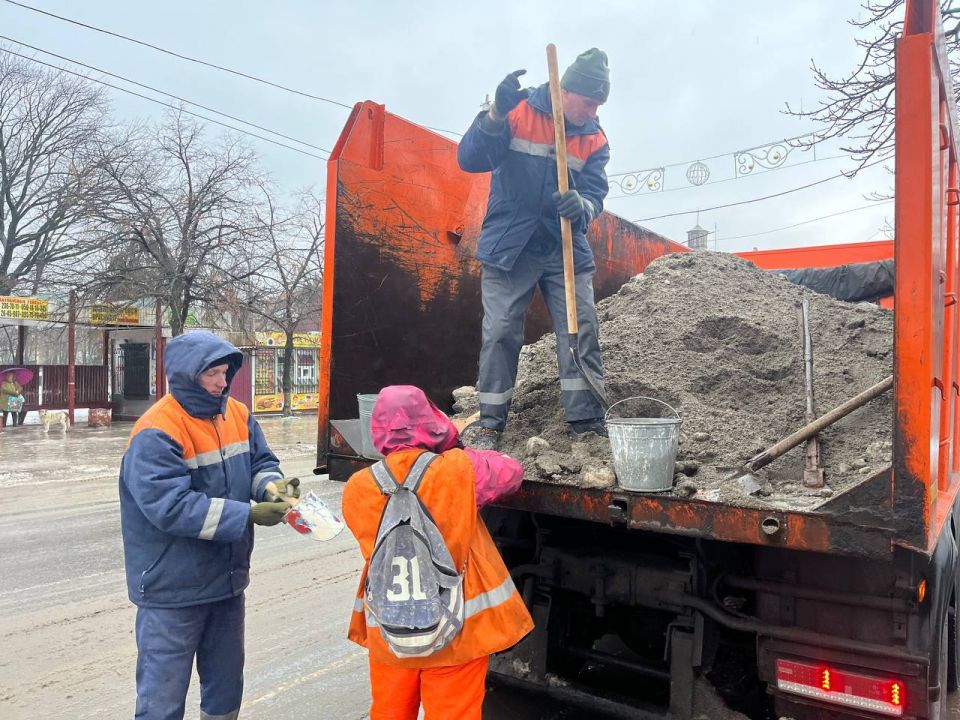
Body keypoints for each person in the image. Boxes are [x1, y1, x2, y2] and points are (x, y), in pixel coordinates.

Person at [118, 331, 298, 720]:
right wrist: (245, 515)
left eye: (223, 372)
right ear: (186, 375)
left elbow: (260, 462)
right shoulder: (157, 431)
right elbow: (169, 506)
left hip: (226, 581)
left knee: (225, 687)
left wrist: (272, 488)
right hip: (173, 589)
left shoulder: (237, 413)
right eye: (211, 374)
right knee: (162, 697)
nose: (221, 382)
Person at [342, 385, 534, 720]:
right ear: (431, 420)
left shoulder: (358, 487)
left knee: (388, 712)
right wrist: (451, 446)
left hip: (390, 630)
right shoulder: (457, 469)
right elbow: (510, 472)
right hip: (456, 634)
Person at [457, 48, 612, 450]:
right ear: (567, 90)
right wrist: (494, 115)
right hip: (511, 244)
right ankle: (490, 424)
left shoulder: (594, 138)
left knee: (581, 330)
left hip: (563, 246)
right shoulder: (518, 111)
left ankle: (587, 423)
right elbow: (470, 158)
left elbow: (595, 193)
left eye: (599, 104)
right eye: (590, 101)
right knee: (502, 332)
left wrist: (583, 207)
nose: (594, 111)